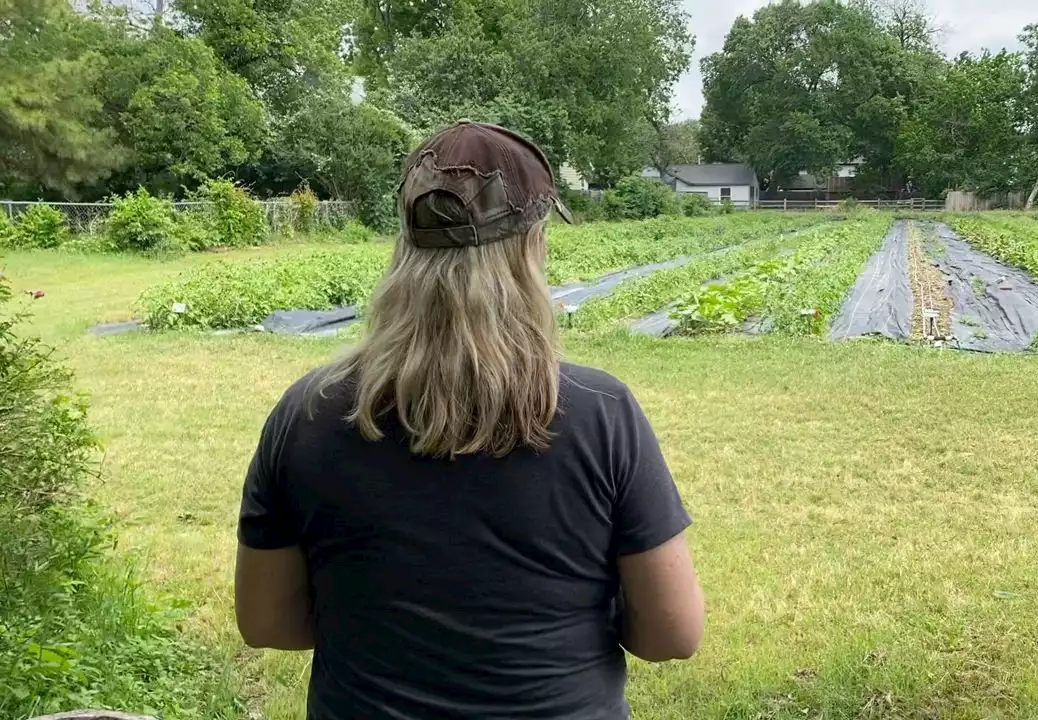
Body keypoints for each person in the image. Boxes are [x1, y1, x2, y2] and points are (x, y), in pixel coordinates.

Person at [234, 120, 704, 720]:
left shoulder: (307, 413)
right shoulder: (601, 413)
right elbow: (672, 636)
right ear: (532, 248)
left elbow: (268, 623)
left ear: (403, 245)